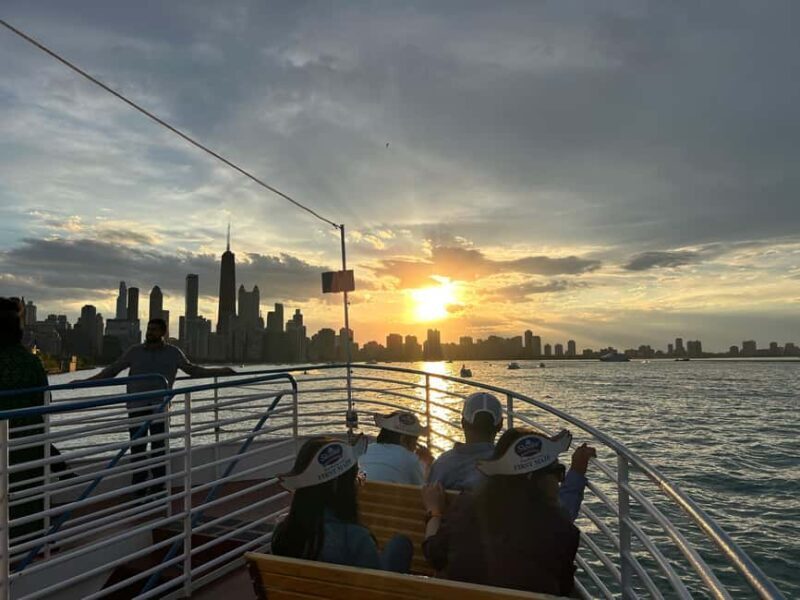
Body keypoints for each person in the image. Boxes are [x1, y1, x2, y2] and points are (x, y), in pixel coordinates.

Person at [422, 428, 587, 596]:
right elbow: (563, 588)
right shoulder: (564, 531)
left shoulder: (465, 508)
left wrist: (434, 512)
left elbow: (433, 555)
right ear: (535, 479)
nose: (560, 481)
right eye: (558, 473)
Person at [81, 317, 235, 495]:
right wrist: (84, 382)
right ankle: (138, 486)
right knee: (137, 447)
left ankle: (158, 485)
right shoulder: (135, 351)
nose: (149, 332)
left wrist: (221, 371)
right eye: (148, 329)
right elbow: (112, 371)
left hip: (159, 407)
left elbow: (193, 370)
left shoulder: (173, 352)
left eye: (154, 329)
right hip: (136, 405)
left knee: (159, 447)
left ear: (163, 333)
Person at [428, 392, 594, 521]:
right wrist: (577, 472)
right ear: (500, 425)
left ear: (462, 423)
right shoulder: (514, 467)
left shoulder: (441, 465)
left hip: (453, 557)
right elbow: (560, 517)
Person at [272, 435, 413, 572]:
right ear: (339, 486)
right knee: (401, 544)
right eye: (356, 477)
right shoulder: (356, 539)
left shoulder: (282, 534)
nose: (359, 483)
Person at [0, 297, 46, 539]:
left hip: (11, 443)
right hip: (28, 442)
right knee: (27, 494)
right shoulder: (32, 362)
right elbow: (43, 402)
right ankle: (31, 539)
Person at [358, 411, 431, 484]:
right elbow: (422, 490)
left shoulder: (364, 451)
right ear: (403, 439)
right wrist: (425, 464)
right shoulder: (411, 459)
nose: (415, 447)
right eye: (415, 442)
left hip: (362, 494)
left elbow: (360, 479)